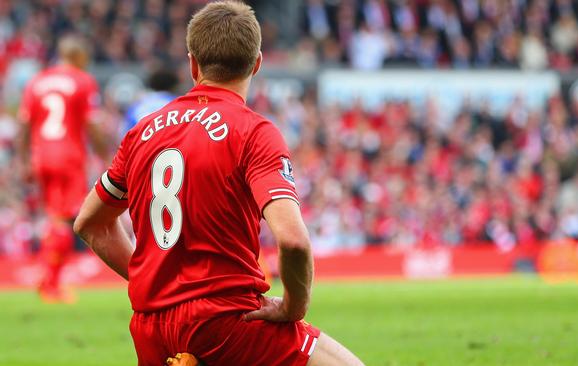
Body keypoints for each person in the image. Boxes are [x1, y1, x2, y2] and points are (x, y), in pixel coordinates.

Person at [74, 2, 363, 365]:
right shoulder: (254, 131)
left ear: (192, 63)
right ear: (257, 63)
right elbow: (292, 240)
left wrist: (151, 283)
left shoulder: (141, 132)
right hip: (228, 322)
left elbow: (90, 222)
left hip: (151, 327)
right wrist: (293, 307)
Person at [18, 34, 108, 303]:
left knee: (55, 217)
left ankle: (49, 280)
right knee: (64, 219)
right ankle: (51, 284)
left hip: (41, 155)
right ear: (80, 57)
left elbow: (24, 124)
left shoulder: (37, 81)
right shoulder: (82, 81)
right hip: (68, 156)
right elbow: (91, 124)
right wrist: (106, 155)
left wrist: (24, 160)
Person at [123, 67, 179, 134]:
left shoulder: (138, 104)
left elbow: (125, 132)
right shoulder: (176, 102)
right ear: (173, 86)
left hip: (140, 140)